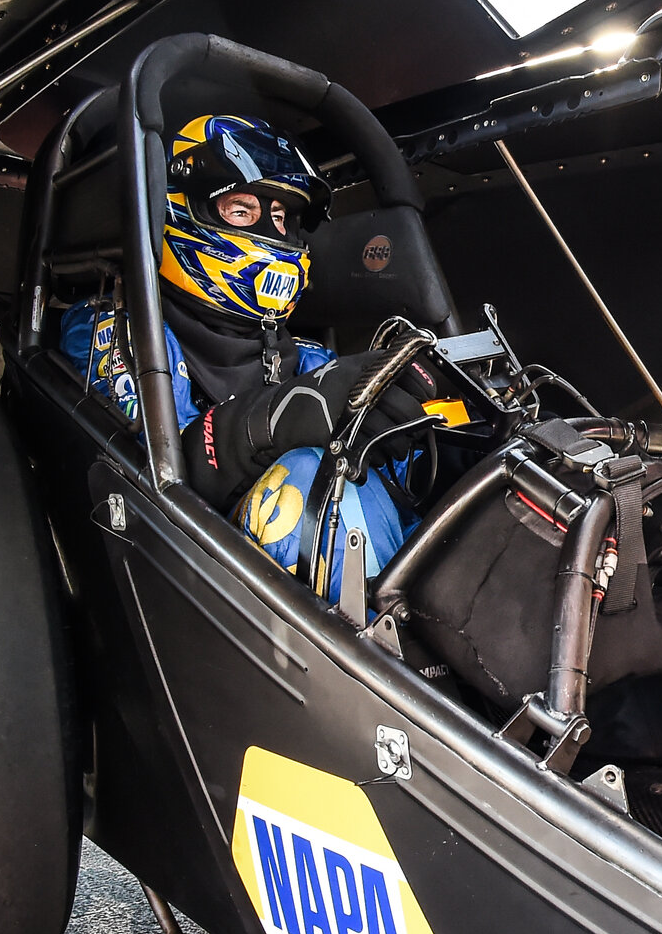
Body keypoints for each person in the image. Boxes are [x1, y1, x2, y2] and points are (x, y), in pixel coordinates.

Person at [60, 113, 451, 597]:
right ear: (180, 210)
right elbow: (156, 482)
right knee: (306, 475)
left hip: (353, 598)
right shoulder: (112, 328)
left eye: (282, 218)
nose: (271, 229)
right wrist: (274, 422)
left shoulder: (305, 356)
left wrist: (427, 437)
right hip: (184, 582)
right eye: (242, 211)